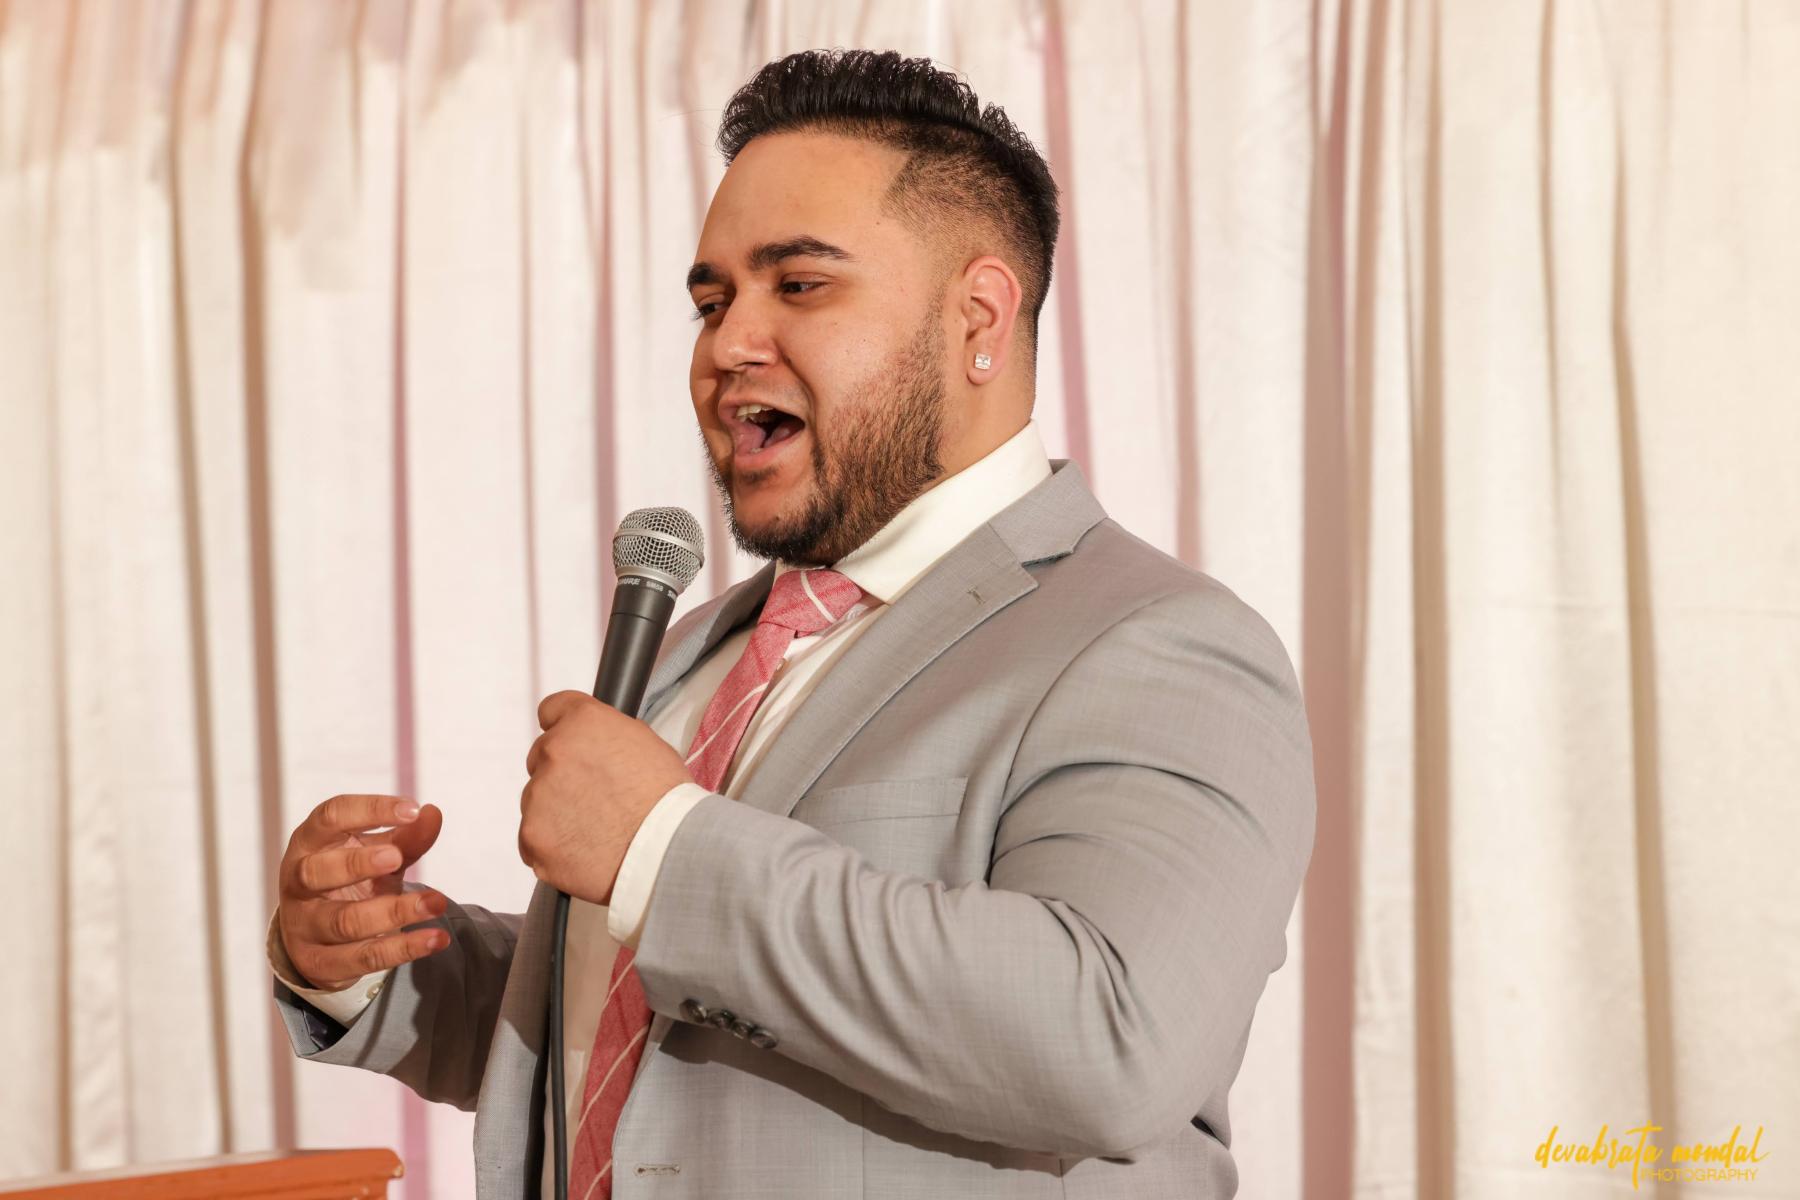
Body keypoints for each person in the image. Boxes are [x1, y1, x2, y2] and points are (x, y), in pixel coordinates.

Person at [269, 48, 1315, 1200]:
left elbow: (1112, 1039)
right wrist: (381, 968)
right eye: (712, 301)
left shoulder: (1159, 644)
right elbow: (656, 1046)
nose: (727, 345)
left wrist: (663, 850)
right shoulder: (703, 646)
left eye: (800, 286)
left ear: (978, 317)